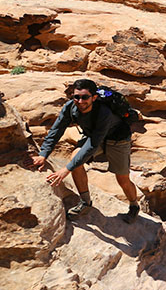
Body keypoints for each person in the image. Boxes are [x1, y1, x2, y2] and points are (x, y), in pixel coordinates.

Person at [31, 78, 139, 223]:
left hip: (117, 139)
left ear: (94, 97)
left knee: (122, 179)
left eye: (85, 97)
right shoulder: (70, 107)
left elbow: (93, 145)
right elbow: (56, 130)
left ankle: (134, 206)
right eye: (77, 97)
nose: (80, 101)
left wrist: (66, 169)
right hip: (93, 135)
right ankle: (85, 202)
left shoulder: (103, 112)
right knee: (75, 157)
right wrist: (43, 154)